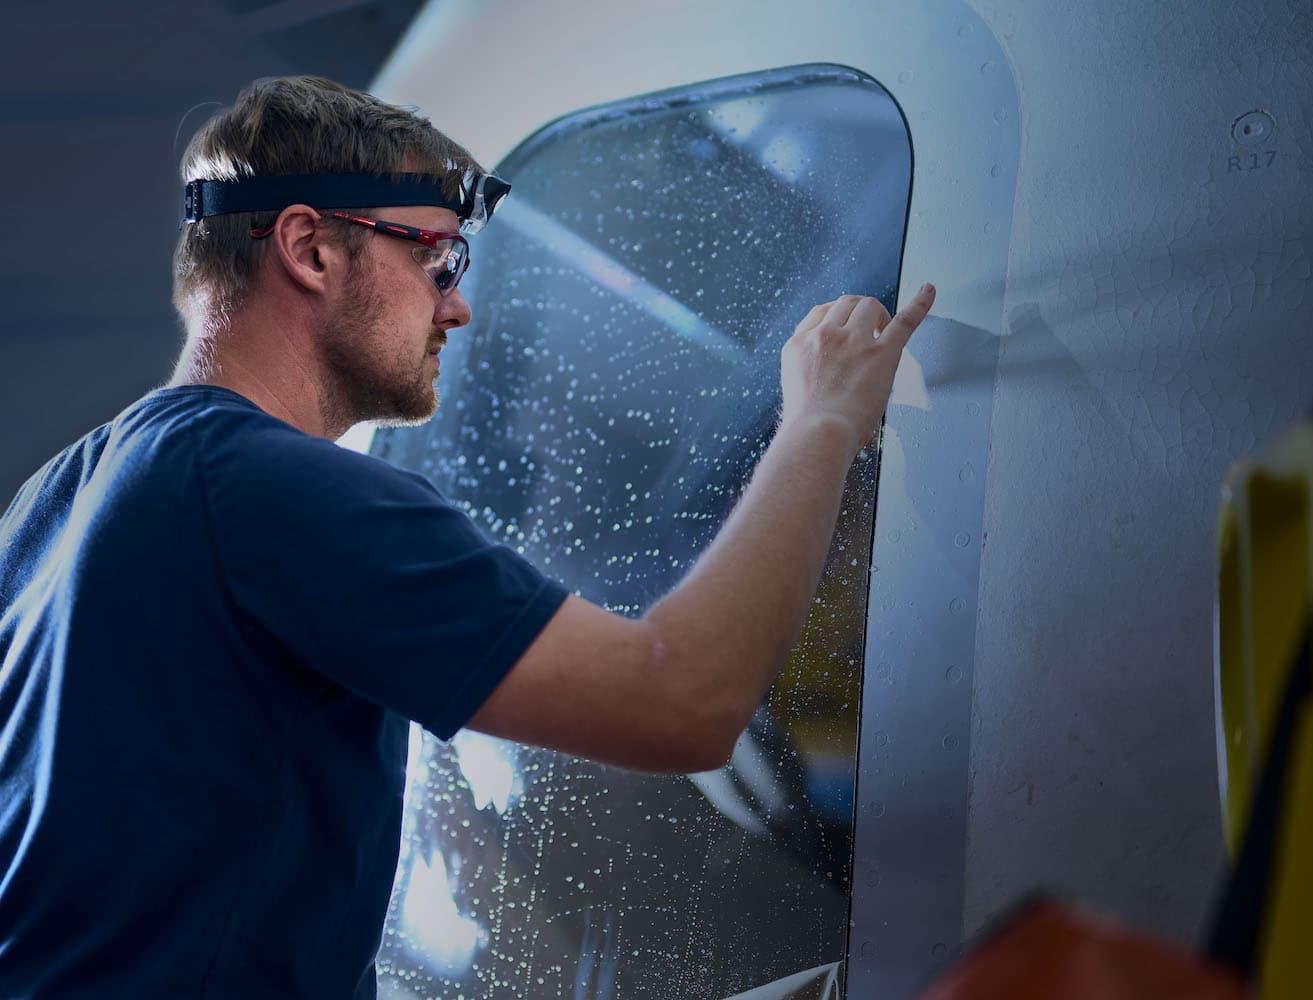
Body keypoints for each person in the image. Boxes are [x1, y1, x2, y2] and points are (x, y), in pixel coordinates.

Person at [0, 75, 935, 997]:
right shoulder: (263, 485)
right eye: (436, 259)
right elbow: (685, 698)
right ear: (310, 250)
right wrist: (821, 420)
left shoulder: (51, 504)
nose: (458, 305)